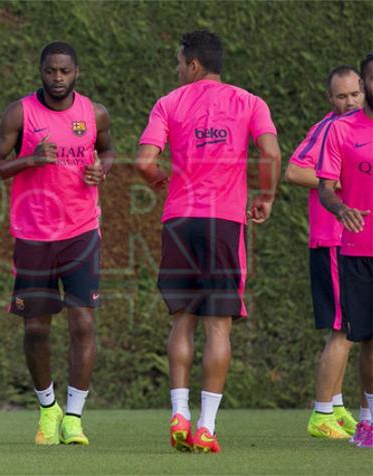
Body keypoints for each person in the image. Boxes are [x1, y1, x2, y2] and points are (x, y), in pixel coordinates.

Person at [135, 30, 281, 453]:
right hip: (224, 223)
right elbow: (271, 154)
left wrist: (160, 178)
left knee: (182, 318)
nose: (177, 69)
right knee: (219, 325)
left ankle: (178, 414)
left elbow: (144, 161)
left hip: (179, 219)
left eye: (179, 63)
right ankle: (206, 427)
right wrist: (266, 196)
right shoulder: (251, 102)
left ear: (193, 64)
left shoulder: (168, 103)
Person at [0, 41, 115, 446]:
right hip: (34, 235)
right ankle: (47, 408)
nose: (57, 79)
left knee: (83, 322)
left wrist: (101, 169)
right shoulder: (20, 113)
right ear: (40, 71)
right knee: (36, 328)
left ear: (77, 73)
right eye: (50, 71)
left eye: (65, 72)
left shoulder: (95, 113)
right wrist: (31, 160)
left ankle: (73, 417)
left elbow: (108, 151)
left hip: (81, 232)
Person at [285, 65, 368, 440]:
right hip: (335, 239)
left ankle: (335, 409)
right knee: (345, 329)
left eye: (355, 94)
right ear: (329, 99)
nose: (349, 101)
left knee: (344, 327)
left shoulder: (355, 129)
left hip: (346, 241)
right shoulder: (328, 129)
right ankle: (321, 414)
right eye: (341, 96)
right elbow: (294, 171)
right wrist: (336, 178)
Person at [317, 52, 373, 449]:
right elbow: (323, 187)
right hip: (358, 250)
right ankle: (368, 421)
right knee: (368, 341)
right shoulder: (340, 130)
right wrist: (341, 208)